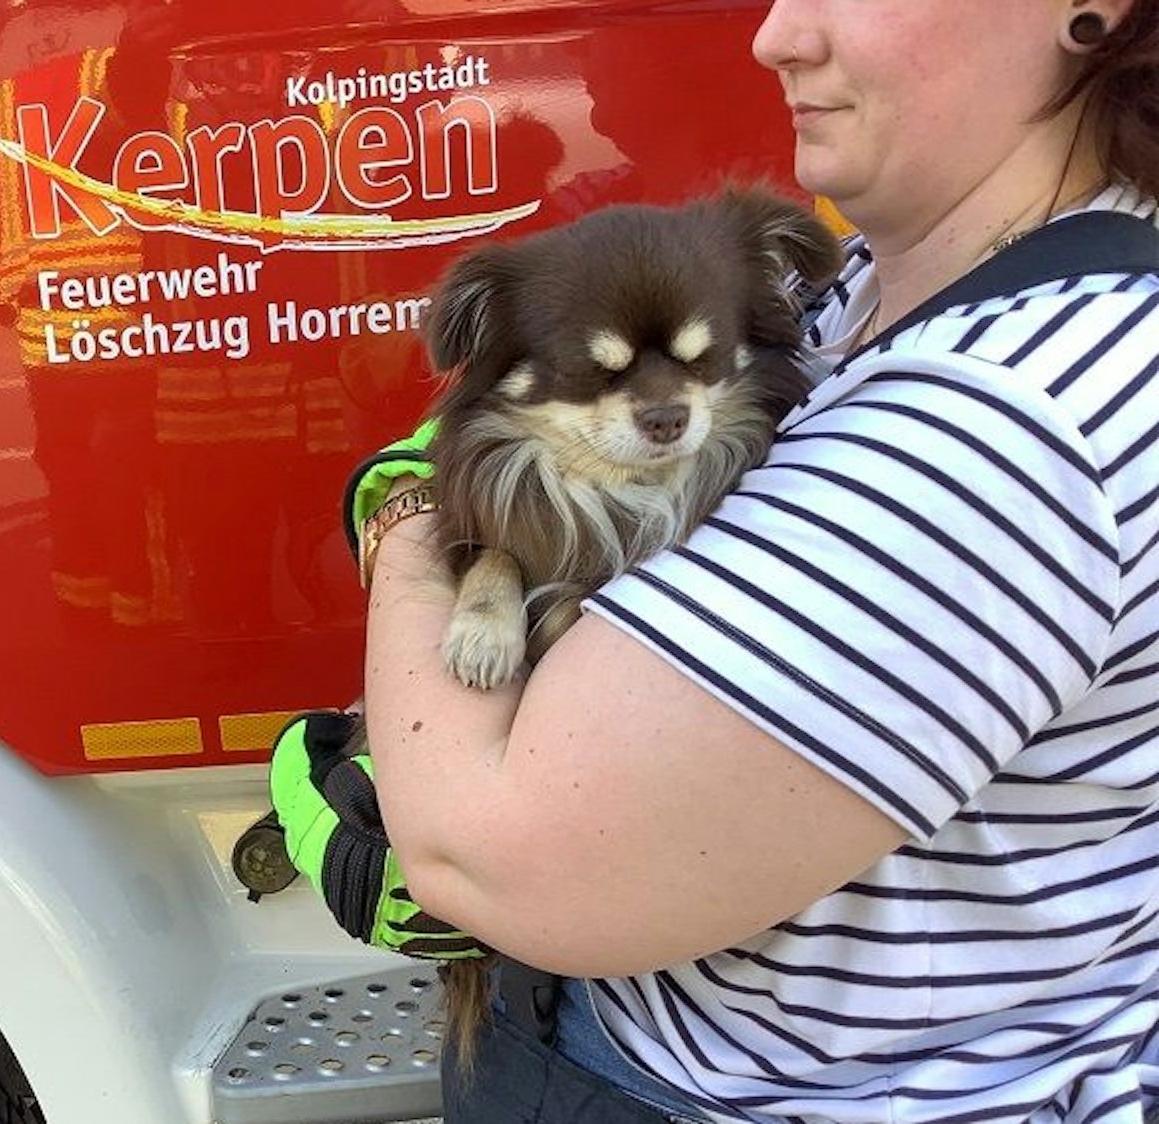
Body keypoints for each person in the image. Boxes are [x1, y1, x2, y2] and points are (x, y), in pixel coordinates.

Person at [332, 2, 1158, 1121]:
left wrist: (410, 524)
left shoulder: (1000, 423)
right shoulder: (871, 290)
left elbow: (493, 862)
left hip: (770, 1095)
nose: (773, 35)